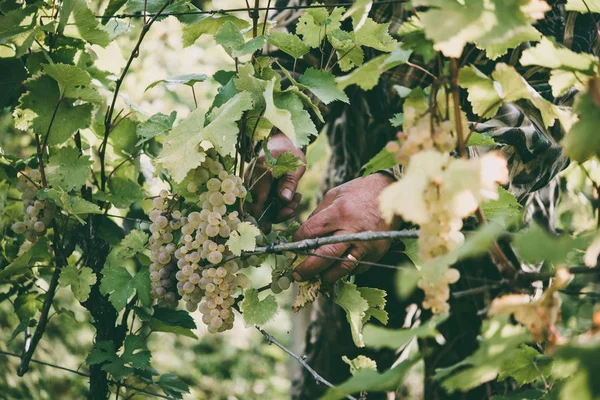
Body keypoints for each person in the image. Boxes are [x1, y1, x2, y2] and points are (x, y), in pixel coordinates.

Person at [246, 1, 598, 398]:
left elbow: (556, 118)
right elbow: (304, 29)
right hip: (354, 191)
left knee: (482, 383)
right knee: (336, 380)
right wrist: (281, 122)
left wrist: (403, 190)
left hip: (494, 223)